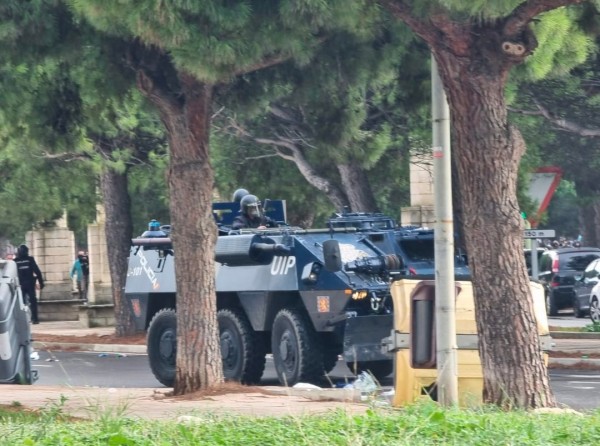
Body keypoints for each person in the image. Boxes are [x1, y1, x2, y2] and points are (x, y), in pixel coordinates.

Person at [14, 244, 44, 324]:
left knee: (21, 303)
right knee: (33, 302)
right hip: (30, 283)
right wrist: (41, 282)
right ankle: (35, 319)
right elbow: (37, 271)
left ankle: (23, 320)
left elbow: (13, 274)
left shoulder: (15, 261)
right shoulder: (30, 259)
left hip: (20, 285)